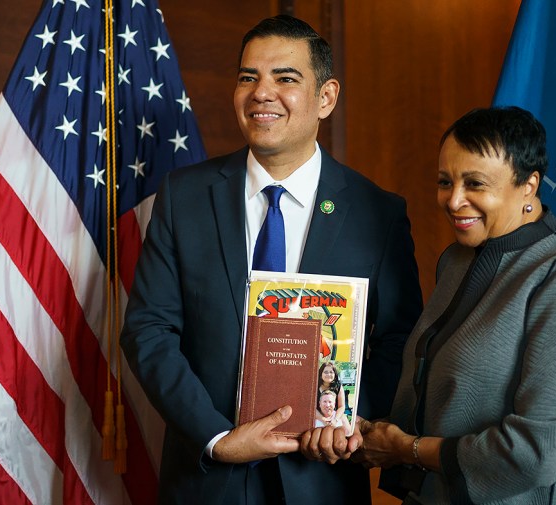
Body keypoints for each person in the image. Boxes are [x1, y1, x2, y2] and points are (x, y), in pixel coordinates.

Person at [120, 14, 422, 505]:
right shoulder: (184, 196)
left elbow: (399, 341)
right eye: (248, 77)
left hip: (321, 480)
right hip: (207, 479)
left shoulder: (378, 213)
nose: (262, 93)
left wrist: (349, 421)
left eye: (285, 78)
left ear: (325, 98)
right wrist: (217, 439)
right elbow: (148, 331)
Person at [353, 107, 556, 504]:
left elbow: (533, 453)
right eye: (446, 181)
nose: (454, 200)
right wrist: (370, 431)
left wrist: (406, 449)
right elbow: (444, 394)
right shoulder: (457, 260)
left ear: (529, 185)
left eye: (475, 184)